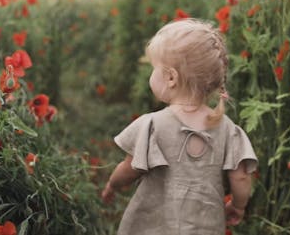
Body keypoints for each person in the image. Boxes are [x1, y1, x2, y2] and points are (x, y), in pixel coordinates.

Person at [101, 18, 258, 235]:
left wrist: (113, 184)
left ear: (171, 77)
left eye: (154, 69)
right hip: (205, 226)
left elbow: (130, 168)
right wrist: (238, 206)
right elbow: (241, 177)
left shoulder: (152, 125)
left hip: (154, 225)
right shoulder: (228, 130)